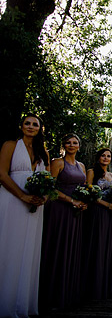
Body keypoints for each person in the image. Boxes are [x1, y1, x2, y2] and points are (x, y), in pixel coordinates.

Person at [0, 115, 49, 317]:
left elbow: (47, 179)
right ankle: (5, 301)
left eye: (34, 124)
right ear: (21, 126)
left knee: (28, 248)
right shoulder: (10, 145)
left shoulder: (43, 152)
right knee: (9, 245)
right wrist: (22, 195)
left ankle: (22, 302)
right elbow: (2, 174)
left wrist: (44, 197)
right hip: (12, 200)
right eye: (27, 123)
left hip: (35, 206)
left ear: (40, 129)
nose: (30, 126)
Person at [40, 134, 87, 310]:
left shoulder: (82, 166)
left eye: (75, 142)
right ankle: (51, 294)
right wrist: (71, 201)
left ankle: (68, 293)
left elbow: (83, 187)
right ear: (64, 145)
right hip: (59, 209)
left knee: (72, 248)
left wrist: (83, 201)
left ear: (79, 146)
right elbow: (50, 187)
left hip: (76, 212)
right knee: (58, 246)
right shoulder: (58, 163)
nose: (72, 145)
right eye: (68, 142)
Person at [82, 148, 112, 302]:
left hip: (111, 215)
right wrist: (108, 205)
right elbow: (90, 194)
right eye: (103, 155)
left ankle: (104, 286)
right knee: (96, 246)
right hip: (97, 212)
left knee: (107, 247)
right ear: (98, 157)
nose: (106, 158)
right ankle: (92, 287)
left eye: (108, 156)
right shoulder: (92, 172)